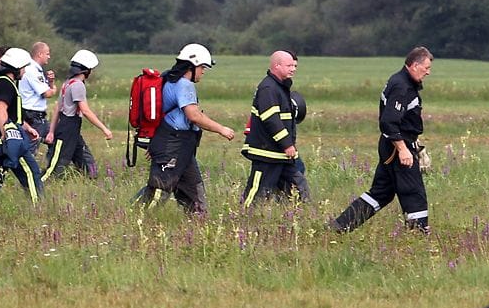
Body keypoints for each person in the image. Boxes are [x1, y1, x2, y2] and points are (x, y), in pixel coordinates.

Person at [329, 46, 434, 233]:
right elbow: (388, 122)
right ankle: (418, 234)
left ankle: (340, 226)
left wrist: (414, 143)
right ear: (414, 65)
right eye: (426, 68)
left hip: (392, 145)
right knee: (413, 191)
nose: (428, 72)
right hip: (396, 147)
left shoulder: (400, 81)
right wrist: (403, 149)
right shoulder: (402, 87)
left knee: (382, 192)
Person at [132, 44, 236, 215]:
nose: (203, 72)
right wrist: (221, 129)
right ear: (192, 66)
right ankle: (134, 217)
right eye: (202, 67)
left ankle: (198, 222)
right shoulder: (184, 85)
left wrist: (157, 144)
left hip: (180, 145)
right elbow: (194, 115)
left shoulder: (168, 79)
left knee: (194, 191)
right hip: (173, 144)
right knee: (160, 188)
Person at [239, 50, 311, 206]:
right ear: (277, 66)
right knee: (257, 192)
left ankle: (299, 215)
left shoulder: (280, 87)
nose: (293, 69)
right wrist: (287, 144)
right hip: (266, 153)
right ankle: (244, 216)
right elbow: (271, 119)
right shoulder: (268, 88)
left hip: (280, 154)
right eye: (289, 65)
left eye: (294, 66)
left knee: (298, 187)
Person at [0, 48, 44, 202]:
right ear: (16, 67)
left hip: (3, 135)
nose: (24, 71)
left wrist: (27, 128)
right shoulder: (5, 84)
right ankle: (39, 205)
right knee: (30, 171)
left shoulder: (4, 82)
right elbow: (0, 109)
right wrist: (6, 135)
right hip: (9, 137)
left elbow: (12, 115)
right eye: (23, 68)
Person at [41, 50, 113, 181]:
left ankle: (91, 181)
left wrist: (51, 131)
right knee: (56, 167)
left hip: (71, 130)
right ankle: (38, 186)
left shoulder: (67, 83)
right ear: (86, 70)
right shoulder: (78, 85)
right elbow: (85, 111)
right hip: (67, 130)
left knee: (88, 165)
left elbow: (58, 108)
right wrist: (104, 129)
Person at [18, 41, 57, 156]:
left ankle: (53, 165)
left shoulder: (36, 70)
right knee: (30, 149)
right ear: (40, 54)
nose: (49, 56)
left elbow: (46, 88)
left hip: (38, 116)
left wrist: (51, 82)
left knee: (54, 138)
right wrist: (54, 89)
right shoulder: (32, 71)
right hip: (33, 116)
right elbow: (47, 93)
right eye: (47, 54)